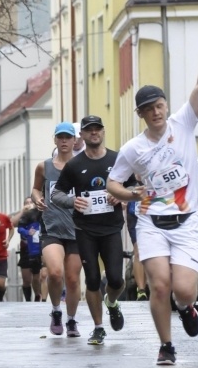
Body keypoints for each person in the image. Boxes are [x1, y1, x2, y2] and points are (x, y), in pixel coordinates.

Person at [107, 16, 198, 365]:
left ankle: (187, 307)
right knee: (159, 285)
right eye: (149, 109)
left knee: (184, 290)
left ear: (165, 106)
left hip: (186, 221)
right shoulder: (133, 149)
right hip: (152, 222)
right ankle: (166, 345)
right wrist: (132, 194)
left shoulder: (183, 123)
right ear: (141, 114)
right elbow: (114, 182)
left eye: (159, 106)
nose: (156, 112)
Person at [51, 115, 135, 345]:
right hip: (85, 229)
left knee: (116, 279)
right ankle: (98, 328)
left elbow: (134, 185)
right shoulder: (74, 165)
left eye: (97, 129)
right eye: (89, 130)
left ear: (103, 132)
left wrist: (121, 196)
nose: (94, 133)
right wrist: (72, 201)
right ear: (82, 135)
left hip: (111, 228)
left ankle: (112, 302)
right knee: (93, 279)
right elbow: (56, 194)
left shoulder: (117, 159)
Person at [32, 122, 83, 337]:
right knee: (54, 273)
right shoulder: (44, 167)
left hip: (77, 229)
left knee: (72, 279)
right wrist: (37, 199)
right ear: (55, 139)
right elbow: (36, 189)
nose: (64, 141)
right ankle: (55, 311)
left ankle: (71, 320)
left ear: (74, 140)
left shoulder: (81, 166)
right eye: (60, 137)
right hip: (51, 227)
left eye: (68, 137)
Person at [13, 198, 44, 301]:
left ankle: (38, 296)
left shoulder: (41, 213)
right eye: (27, 203)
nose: (29, 204)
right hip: (25, 248)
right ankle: (28, 300)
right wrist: (27, 232)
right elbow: (14, 224)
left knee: (37, 275)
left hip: (38, 248)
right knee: (26, 279)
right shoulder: (25, 214)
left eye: (31, 202)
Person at [126, 198, 147, 300]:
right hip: (135, 212)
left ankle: (145, 286)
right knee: (138, 251)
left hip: (153, 211)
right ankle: (141, 290)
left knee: (148, 253)